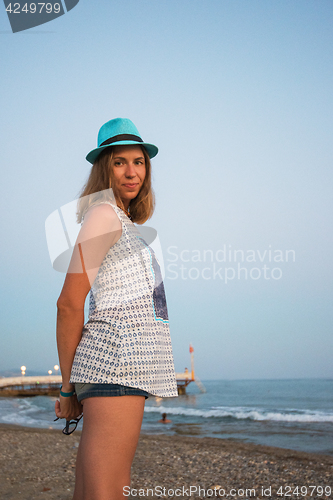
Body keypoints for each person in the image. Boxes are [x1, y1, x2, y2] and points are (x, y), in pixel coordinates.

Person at [54, 118, 178, 500]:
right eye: (120, 161)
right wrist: (66, 387)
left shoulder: (121, 221)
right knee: (108, 490)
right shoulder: (104, 214)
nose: (131, 171)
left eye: (139, 162)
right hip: (117, 364)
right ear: (104, 167)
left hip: (123, 369)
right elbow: (69, 302)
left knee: (98, 489)